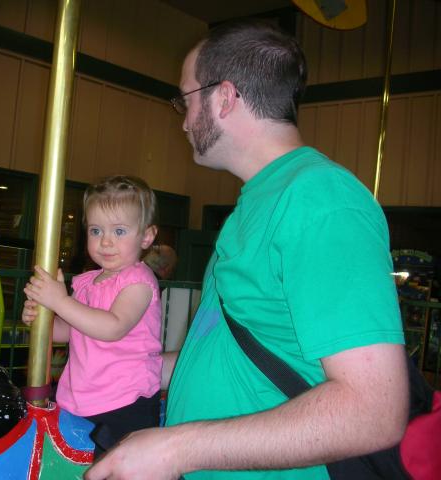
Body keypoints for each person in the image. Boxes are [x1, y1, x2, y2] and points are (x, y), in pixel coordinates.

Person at [85, 19, 409, 480]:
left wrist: (176, 449)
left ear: (224, 97)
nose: (183, 120)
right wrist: (125, 367)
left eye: (185, 100)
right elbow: (237, 350)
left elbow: (372, 409)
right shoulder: (255, 203)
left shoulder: (321, 200)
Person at [22, 175, 163, 459]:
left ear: (147, 236)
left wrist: (60, 301)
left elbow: (113, 327)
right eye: (96, 231)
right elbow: (69, 330)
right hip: (82, 396)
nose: (106, 241)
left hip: (125, 401)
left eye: (119, 231)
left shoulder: (138, 281)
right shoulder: (87, 283)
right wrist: (41, 319)